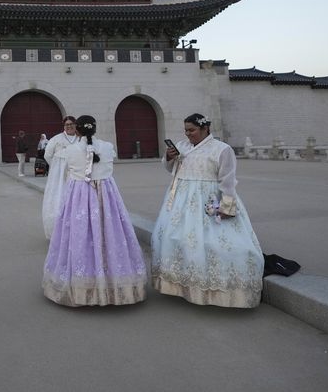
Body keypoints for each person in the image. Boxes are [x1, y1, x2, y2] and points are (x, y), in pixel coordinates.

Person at [151, 113, 264, 308]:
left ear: (205, 128)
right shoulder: (182, 146)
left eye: (192, 130)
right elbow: (171, 169)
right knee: (175, 239)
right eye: (186, 130)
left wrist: (227, 206)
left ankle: (218, 290)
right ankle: (180, 285)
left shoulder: (222, 149)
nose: (188, 134)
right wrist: (169, 158)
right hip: (180, 200)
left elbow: (227, 180)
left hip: (208, 199)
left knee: (219, 244)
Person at [43, 115, 147, 306]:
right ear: (95, 128)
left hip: (79, 196)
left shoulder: (69, 151)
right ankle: (117, 283)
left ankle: (81, 286)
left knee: (79, 235)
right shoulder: (107, 147)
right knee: (110, 233)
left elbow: (58, 170)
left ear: (78, 130)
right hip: (106, 196)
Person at [41, 116, 78, 239]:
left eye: (71, 124)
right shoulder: (57, 139)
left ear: (75, 125)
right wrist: (57, 167)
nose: (69, 126)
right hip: (60, 175)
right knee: (59, 197)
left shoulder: (80, 138)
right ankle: (58, 230)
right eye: (67, 124)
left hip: (77, 172)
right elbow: (47, 155)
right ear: (64, 126)